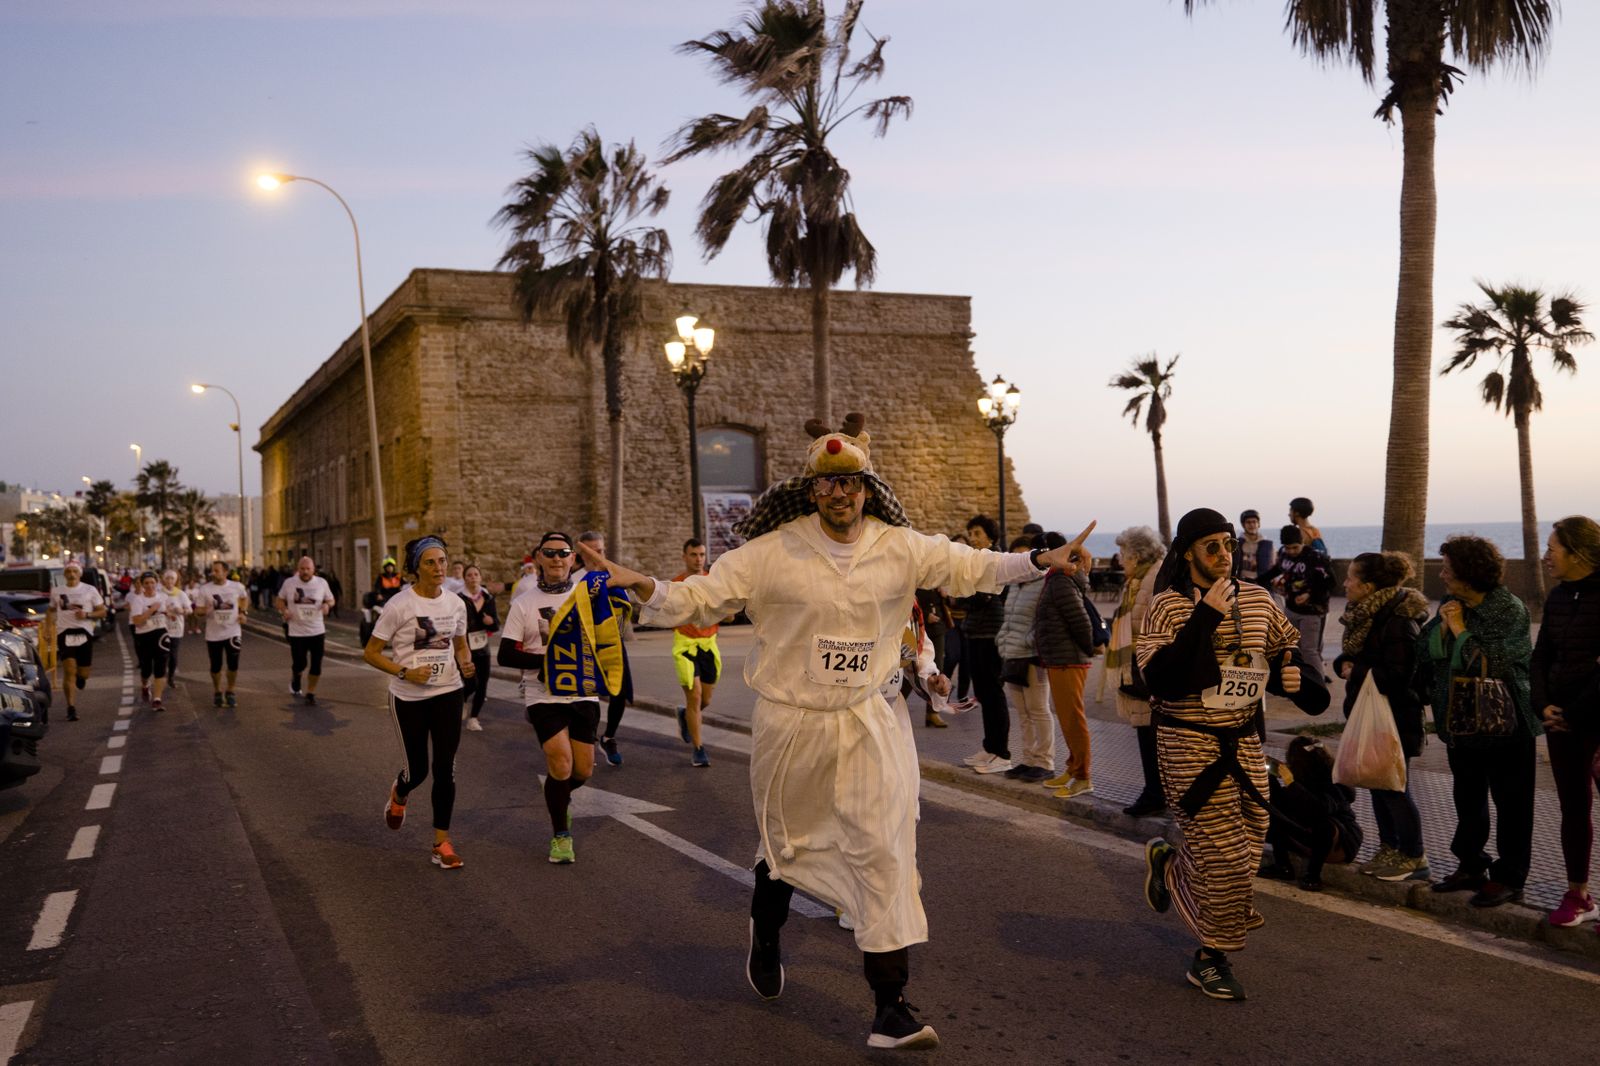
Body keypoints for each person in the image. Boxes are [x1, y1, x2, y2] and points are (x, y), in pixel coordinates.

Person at [576, 414, 1091, 1050]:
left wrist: (1041, 560)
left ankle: (890, 1008)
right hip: (791, 727)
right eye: (828, 486)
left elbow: (972, 566)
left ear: (866, 489)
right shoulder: (771, 551)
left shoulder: (899, 547)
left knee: (884, 851)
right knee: (785, 852)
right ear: (812, 491)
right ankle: (766, 936)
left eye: (851, 483)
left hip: (872, 721)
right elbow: (702, 598)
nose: (840, 494)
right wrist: (646, 586)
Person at [1137, 508, 1326, 1002]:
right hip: (1187, 743)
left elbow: (1297, 662)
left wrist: (1298, 678)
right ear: (1187, 553)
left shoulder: (1262, 601)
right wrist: (1207, 615)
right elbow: (1159, 678)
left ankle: (1173, 863)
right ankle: (1210, 958)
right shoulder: (1167, 607)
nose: (1224, 555)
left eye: (1227, 545)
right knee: (1226, 857)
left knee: (1247, 846)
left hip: (1243, 742)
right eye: (1211, 547)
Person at [1419, 535, 1538, 909]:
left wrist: (1458, 630)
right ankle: (1471, 865)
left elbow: (1497, 663)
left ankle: (1510, 877)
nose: (1442, 575)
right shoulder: (1452, 604)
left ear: (1469, 574)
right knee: (1467, 798)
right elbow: (1425, 649)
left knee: (1512, 802)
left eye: (1449, 569)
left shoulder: (1508, 608)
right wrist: (1443, 628)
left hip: (1505, 721)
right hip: (1460, 720)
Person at [364, 536, 474, 871]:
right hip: (409, 697)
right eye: (430, 562)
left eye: (442, 561)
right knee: (418, 771)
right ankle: (400, 792)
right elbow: (370, 653)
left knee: (445, 769)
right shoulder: (400, 605)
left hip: (448, 692)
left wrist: (466, 662)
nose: (439, 568)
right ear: (416, 567)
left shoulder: (456, 604)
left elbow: (460, 645)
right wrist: (404, 672)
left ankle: (441, 843)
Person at [497, 531, 604, 865]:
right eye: (550, 553)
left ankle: (559, 800)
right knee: (560, 762)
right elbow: (505, 655)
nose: (557, 559)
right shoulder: (524, 603)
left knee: (582, 771)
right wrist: (548, 662)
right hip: (542, 694)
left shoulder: (587, 596)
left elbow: (607, 637)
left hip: (583, 693)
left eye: (563, 553)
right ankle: (561, 835)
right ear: (538, 558)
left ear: (574, 559)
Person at [1332, 551, 1431, 882]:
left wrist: (1354, 671)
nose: (1345, 584)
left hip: (1395, 718)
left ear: (1368, 586)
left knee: (1394, 787)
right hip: (1371, 715)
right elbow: (1354, 656)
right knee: (1376, 782)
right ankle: (1390, 848)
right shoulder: (1367, 615)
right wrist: (1346, 665)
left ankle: (1414, 855)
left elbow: (1398, 676)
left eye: (1350, 578)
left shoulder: (1398, 621)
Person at [1534, 516, 1600, 928]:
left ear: (1577, 554)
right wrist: (1544, 706)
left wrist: (1571, 713)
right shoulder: (1558, 596)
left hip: (1593, 721)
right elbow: (1540, 656)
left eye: (1552, 549)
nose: (1545, 557)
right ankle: (1578, 895)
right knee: (1573, 809)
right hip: (1560, 724)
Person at [1103, 526, 1166, 816]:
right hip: (1140, 667)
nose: (1120, 560)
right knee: (1146, 732)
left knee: (1152, 735)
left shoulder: (1155, 579)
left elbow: (1156, 624)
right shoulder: (1139, 578)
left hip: (1150, 668)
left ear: (1137, 556)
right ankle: (1153, 792)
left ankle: (1155, 794)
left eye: (1123, 554)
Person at [1035, 531, 1098, 797]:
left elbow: (1080, 621)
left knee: (1073, 719)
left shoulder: (1061, 580)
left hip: (1068, 660)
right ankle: (1073, 768)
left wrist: (1084, 650)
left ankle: (1083, 776)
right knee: (1067, 718)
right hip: (1060, 658)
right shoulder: (1056, 578)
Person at [1258, 736, 1362, 890]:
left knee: (1323, 825)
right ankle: (1282, 866)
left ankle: (1313, 875)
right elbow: (1282, 805)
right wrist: (1270, 779)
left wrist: (1291, 783)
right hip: (1310, 840)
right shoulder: (1302, 778)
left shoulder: (1333, 782)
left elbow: (1319, 810)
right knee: (1274, 814)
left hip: (1340, 845)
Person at [956, 514, 1012, 775]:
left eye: (977, 534)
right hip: (976, 634)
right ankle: (989, 748)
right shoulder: (978, 562)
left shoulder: (994, 561)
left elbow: (981, 599)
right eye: (971, 535)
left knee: (993, 694)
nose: (973, 539)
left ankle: (1002, 753)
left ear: (991, 537)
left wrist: (959, 597)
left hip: (990, 635)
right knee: (983, 694)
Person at [995, 534, 1053, 782]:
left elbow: (1045, 621)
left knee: (1039, 709)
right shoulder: (1014, 584)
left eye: (1025, 554)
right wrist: (1003, 640)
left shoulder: (1043, 583)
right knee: (1023, 711)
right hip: (1012, 654)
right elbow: (1009, 619)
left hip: (1033, 657)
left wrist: (1028, 642)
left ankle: (1045, 761)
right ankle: (1028, 759)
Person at [578, 531, 636, 767]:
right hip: (584, 645)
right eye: (593, 550)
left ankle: (609, 736)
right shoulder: (576, 581)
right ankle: (587, 739)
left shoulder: (613, 575)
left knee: (619, 694)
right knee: (588, 696)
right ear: (583, 554)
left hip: (613, 643)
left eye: (601, 550)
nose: (598, 555)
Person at [673, 538, 723, 767]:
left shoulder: (713, 582)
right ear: (684, 557)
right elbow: (667, 613)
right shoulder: (677, 584)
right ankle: (698, 749)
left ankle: (685, 715)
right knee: (694, 697)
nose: (698, 559)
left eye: (701, 555)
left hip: (709, 645)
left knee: (706, 699)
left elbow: (728, 615)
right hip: (685, 646)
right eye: (693, 554)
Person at [1265, 525, 1334, 684]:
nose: (1291, 551)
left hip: (1313, 611)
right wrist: (1258, 581)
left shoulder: (1316, 557)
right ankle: (1303, 681)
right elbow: (1277, 569)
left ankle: (1318, 684)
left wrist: (1309, 594)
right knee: (1295, 648)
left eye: (1295, 547)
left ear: (1302, 542)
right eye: (1288, 548)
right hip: (1291, 608)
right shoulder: (1283, 554)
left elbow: (1331, 582)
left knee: (1310, 651)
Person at [276, 555, 336, 704]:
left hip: (317, 631)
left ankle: (310, 692)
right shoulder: (289, 583)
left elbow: (331, 599)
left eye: (308, 569)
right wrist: (284, 610)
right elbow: (279, 600)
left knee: (316, 665)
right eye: (302, 569)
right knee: (300, 663)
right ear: (298, 569)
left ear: (313, 569)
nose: (305, 572)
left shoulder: (321, 583)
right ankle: (296, 677)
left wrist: (327, 605)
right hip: (296, 632)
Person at [52, 560, 106, 721]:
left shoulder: (89, 590)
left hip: (84, 632)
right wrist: (49, 628)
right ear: (64, 574)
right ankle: (71, 708)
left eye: (74, 571)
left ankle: (81, 678)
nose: (71, 574)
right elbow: (51, 610)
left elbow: (102, 611)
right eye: (68, 571)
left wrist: (87, 615)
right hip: (65, 632)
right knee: (69, 670)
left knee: (83, 672)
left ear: (79, 573)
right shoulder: (57, 591)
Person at [193, 559, 248, 708]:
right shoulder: (205, 589)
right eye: (212, 570)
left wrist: (243, 613)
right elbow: (197, 611)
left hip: (233, 632)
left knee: (233, 664)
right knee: (215, 666)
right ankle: (217, 691)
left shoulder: (237, 587)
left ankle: (230, 691)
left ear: (225, 572)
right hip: (213, 634)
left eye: (217, 571)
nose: (213, 573)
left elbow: (243, 598)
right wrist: (207, 609)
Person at [458, 563, 499, 732]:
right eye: (469, 575)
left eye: (476, 574)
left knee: (483, 684)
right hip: (464, 647)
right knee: (470, 683)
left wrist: (491, 623)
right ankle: (461, 701)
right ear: (465, 578)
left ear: (480, 578)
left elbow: (496, 625)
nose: (473, 577)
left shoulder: (488, 598)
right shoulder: (459, 599)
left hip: (482, 648)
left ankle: (473, 718)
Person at [126, 571, 171, 710]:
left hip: (161, 633)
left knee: (160, 666)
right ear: (142, 585)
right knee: (146, 669)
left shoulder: (163, 597)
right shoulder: (138, 600)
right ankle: (145, 684)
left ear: (156, 583)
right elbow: (137, 621)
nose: (150, 585)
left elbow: (168, 611)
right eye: (146, 583)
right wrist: (152, 610)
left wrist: (171, 614)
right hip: (144, 635)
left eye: (152, 582)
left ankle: (157, 699)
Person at [158, 569, 193, 689]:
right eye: (167, 578)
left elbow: (190, 610)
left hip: (176, 628)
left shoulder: (181, 594)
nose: (169, 581)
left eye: (172, 578)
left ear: (176, 580)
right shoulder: (159, 593)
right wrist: (165, 611)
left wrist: (182, 611)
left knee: (173, 655)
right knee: (162, 654)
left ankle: (171, 677)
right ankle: (160, 677)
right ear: (164, 580)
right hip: (161, 628)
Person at [1232, 510, 1275, 588]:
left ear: (1258, 524)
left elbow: (1273, 566)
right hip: (1241, 584)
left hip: (1261, 585)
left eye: (1254, 522)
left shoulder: (1268, 545)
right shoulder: (1236, 543)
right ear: (1243, 525)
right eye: (1248, 522)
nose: (1251, 525)